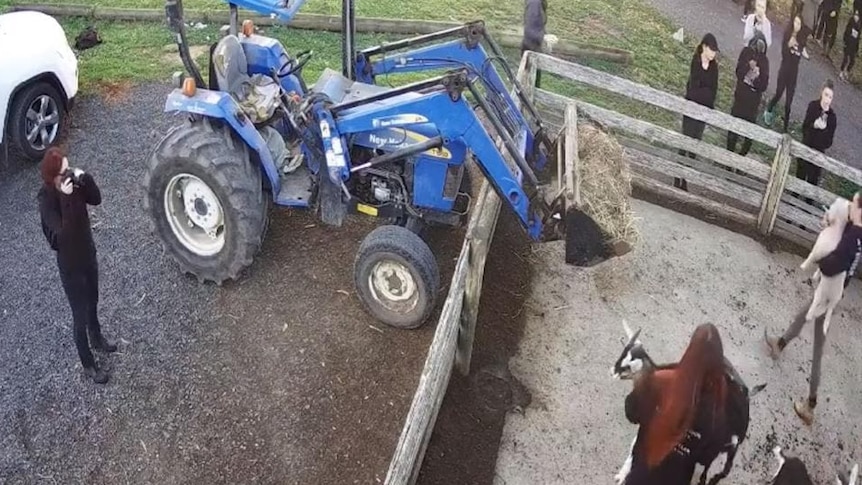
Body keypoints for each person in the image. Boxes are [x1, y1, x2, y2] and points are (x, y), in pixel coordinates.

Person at [765, 192, 862, 425]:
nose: (850, 203)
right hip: (834, 291)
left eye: (854, 200)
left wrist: (819, 258)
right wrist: (830, 220)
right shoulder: (857, 232)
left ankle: (810, 404)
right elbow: (838, 229)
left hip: (830, 291)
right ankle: (780, 343)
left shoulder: (853, 238)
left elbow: (834, 263)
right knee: (804, 314)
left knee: (818, 344)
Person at [38, 147, 117, 384]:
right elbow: (61, 237)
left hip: (87, 254)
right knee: (79, 314)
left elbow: (96, 199)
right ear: (53, 178)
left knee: (93, 299)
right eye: (64, 172)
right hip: (70, 265)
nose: (68, 174)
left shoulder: (73, 182)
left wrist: (86, 179)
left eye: (68, 168)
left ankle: (97, 338)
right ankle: (88, 363)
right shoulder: (47, 199)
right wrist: (66, 199)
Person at [622, 324, 729, 485]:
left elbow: (632, 412)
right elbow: (708, 453)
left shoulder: (662, 381)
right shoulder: (719, 405)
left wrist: (640, 382)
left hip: (643, 473)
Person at [675, 33, 720, 192]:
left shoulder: (714, 68)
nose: (713, 54)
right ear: (704, 47)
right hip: (691, 109)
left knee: (695, 143)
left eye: (715, 51)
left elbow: (713, 91)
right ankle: (677, 175)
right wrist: (704, 93)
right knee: (685, 141)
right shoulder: (695, 62)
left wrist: (704, 94)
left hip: (703, 112)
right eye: (712, 50)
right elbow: (693, 89)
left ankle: (686, 178)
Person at [764, 15, 810, 133]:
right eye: (795, 22)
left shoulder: (801, 39)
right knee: (779, 93)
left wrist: (804, 53)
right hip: (784, 70)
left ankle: (785, 128)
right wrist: (789, 45)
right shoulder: (787, 34)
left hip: (793, 74)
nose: (796, 25)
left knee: (789, 102)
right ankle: (769, 109)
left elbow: (803, 52)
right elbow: (784, 53)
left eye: (799, 23)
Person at [728, 32, 770, 156]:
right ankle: (729, 157)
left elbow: (764, 85)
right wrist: (748, 66)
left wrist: (756, 77)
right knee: (733, 130)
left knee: (749, 135)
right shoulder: (745, 52)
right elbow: (739, 73)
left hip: (752, 103)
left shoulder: (764, 61)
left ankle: (741, 158)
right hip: (740, 98)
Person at [797, 80, 837, 193]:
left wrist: (824, 130)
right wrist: (813, 125)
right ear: (821, 93)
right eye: (826, 95)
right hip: (806, 148)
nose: (827, 99)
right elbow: (804, 128)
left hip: (818, 154)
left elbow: (829, 142)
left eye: (830, 97)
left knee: (812, 185)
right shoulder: (813, 106)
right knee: (798, 180)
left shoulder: (832, 117)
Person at [839, 9, 862, 82]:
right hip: (848, 42)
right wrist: (845, 41)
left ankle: (847, 71)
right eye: (855, 15)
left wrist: (857, 48)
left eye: (857, 15)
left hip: (854, 44)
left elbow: (858, 36)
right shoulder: (851, 22)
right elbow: (846, 32)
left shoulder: (859, 24)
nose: (856, 17)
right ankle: (841, 71)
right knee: (845, 58)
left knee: (852, 60)